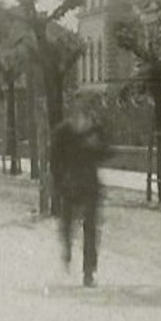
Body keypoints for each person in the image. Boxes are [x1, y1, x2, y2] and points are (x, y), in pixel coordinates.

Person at [51, 103, 110, 287]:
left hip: (90, 186)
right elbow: (54, 160)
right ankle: (67, 248)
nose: (81, 117)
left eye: (85, 113)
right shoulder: (62, 132)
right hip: (69, 186)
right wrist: (58, 183)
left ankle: (89, 271)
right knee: (68, 225)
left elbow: (105, 153)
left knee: (91, 228)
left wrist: (97, 145)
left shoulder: (95, 130)